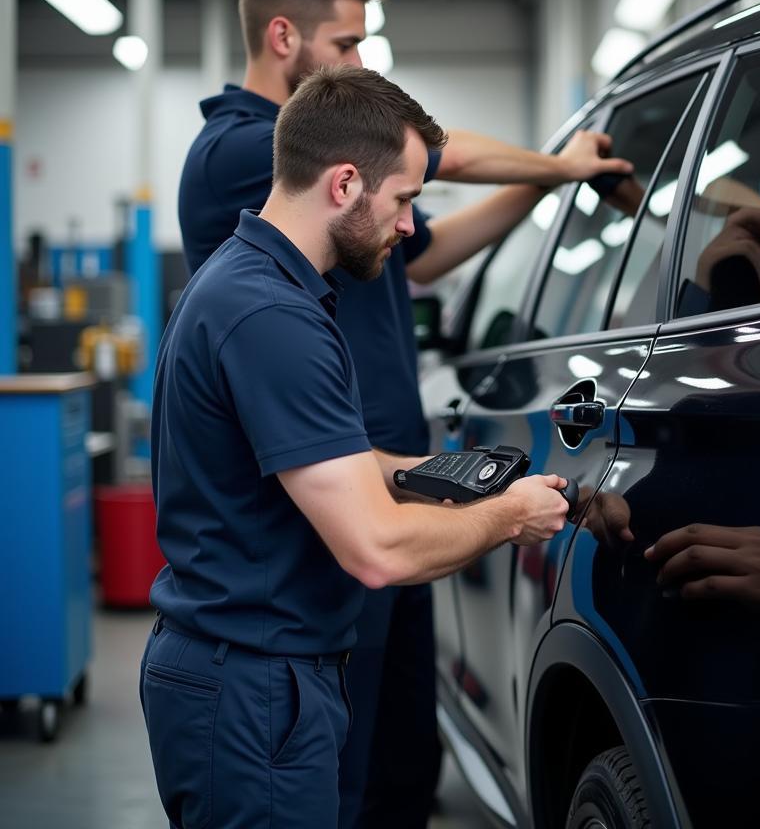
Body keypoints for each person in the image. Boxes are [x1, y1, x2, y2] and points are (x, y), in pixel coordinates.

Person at [176, 0, 631, 829]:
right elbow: (432, 149)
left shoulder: (334, 239)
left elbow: (420, 256)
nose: (359, 58)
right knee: (336, 781)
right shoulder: (247, 157)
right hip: (308, 546)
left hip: (372, 470)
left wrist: (544, 195)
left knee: (393, 766)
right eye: (346, 44)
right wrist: (565, 163)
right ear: (283, 37)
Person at [142, 65, 571, 829]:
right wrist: (513, 516)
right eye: (405, 200)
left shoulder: (249, 286)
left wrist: (419, 472)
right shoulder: (272, 316)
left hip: (248, 672)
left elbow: (310, 456)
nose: (410, 227)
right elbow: (377, 553)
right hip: (252, 688)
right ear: (344, 184)